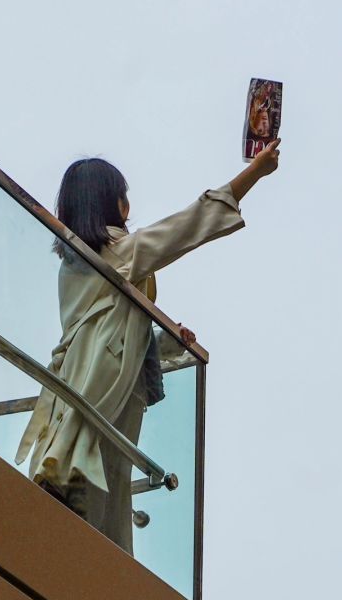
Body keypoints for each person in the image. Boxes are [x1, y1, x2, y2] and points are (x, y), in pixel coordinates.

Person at [16, 141, 280, 551]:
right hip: (100, 389)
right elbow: (188, 226)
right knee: (93, 474)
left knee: (103, 472)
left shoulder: (79, 263)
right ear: (111, 202)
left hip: (95, 382)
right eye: (123, 195)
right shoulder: (114, 253)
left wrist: (166, 344)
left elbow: (111, 331)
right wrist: (254, 173)